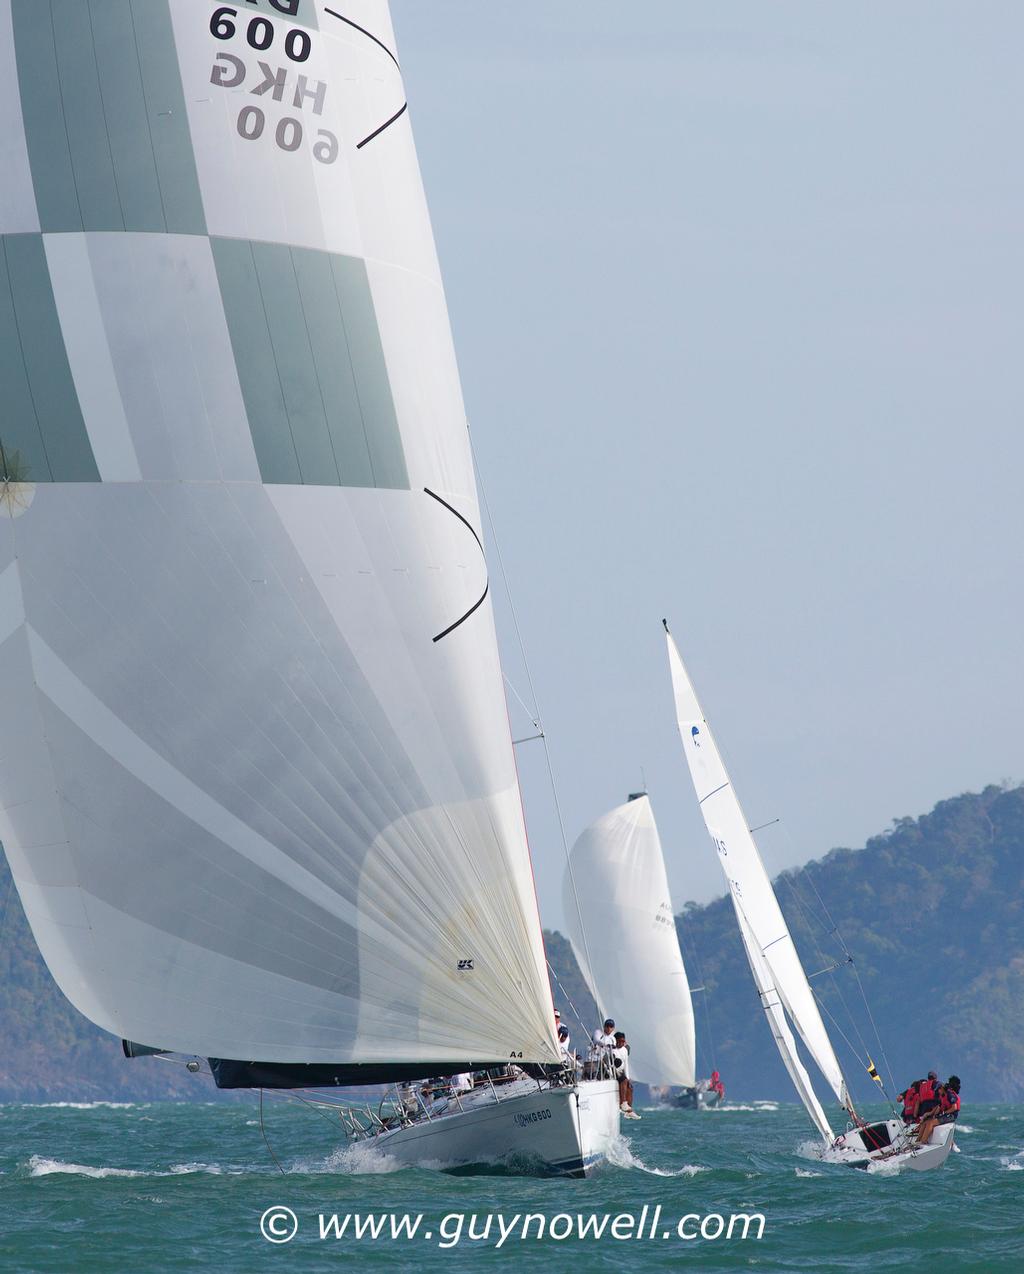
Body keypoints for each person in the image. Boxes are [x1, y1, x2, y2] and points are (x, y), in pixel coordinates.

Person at [612, 1031, 640, 1119]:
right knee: (623, 1080)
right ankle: (623, 1103)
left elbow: (626, 1064)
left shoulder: (624, 1050)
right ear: (615, 1041)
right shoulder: (612, 1050)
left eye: (623, 1041)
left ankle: (629, 1110)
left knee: (630, 1087)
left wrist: (628, 1078)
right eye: (619, 1041)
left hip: (621, 1072)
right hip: (612, 1072)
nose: (621, 1043)